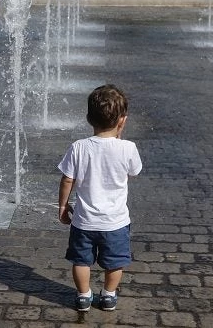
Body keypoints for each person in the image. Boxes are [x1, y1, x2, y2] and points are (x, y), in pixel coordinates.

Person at [57, 84, 143, 312]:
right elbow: (134, 172)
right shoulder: (128, 148)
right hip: (115, 222)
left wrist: (63, 206)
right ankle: (108, 295)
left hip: (83, 221)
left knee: (81, 261)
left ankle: (84, 295)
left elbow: (67, 179)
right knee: (115, 262)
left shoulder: (78, 147)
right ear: (122, 121)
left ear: (88, 118)